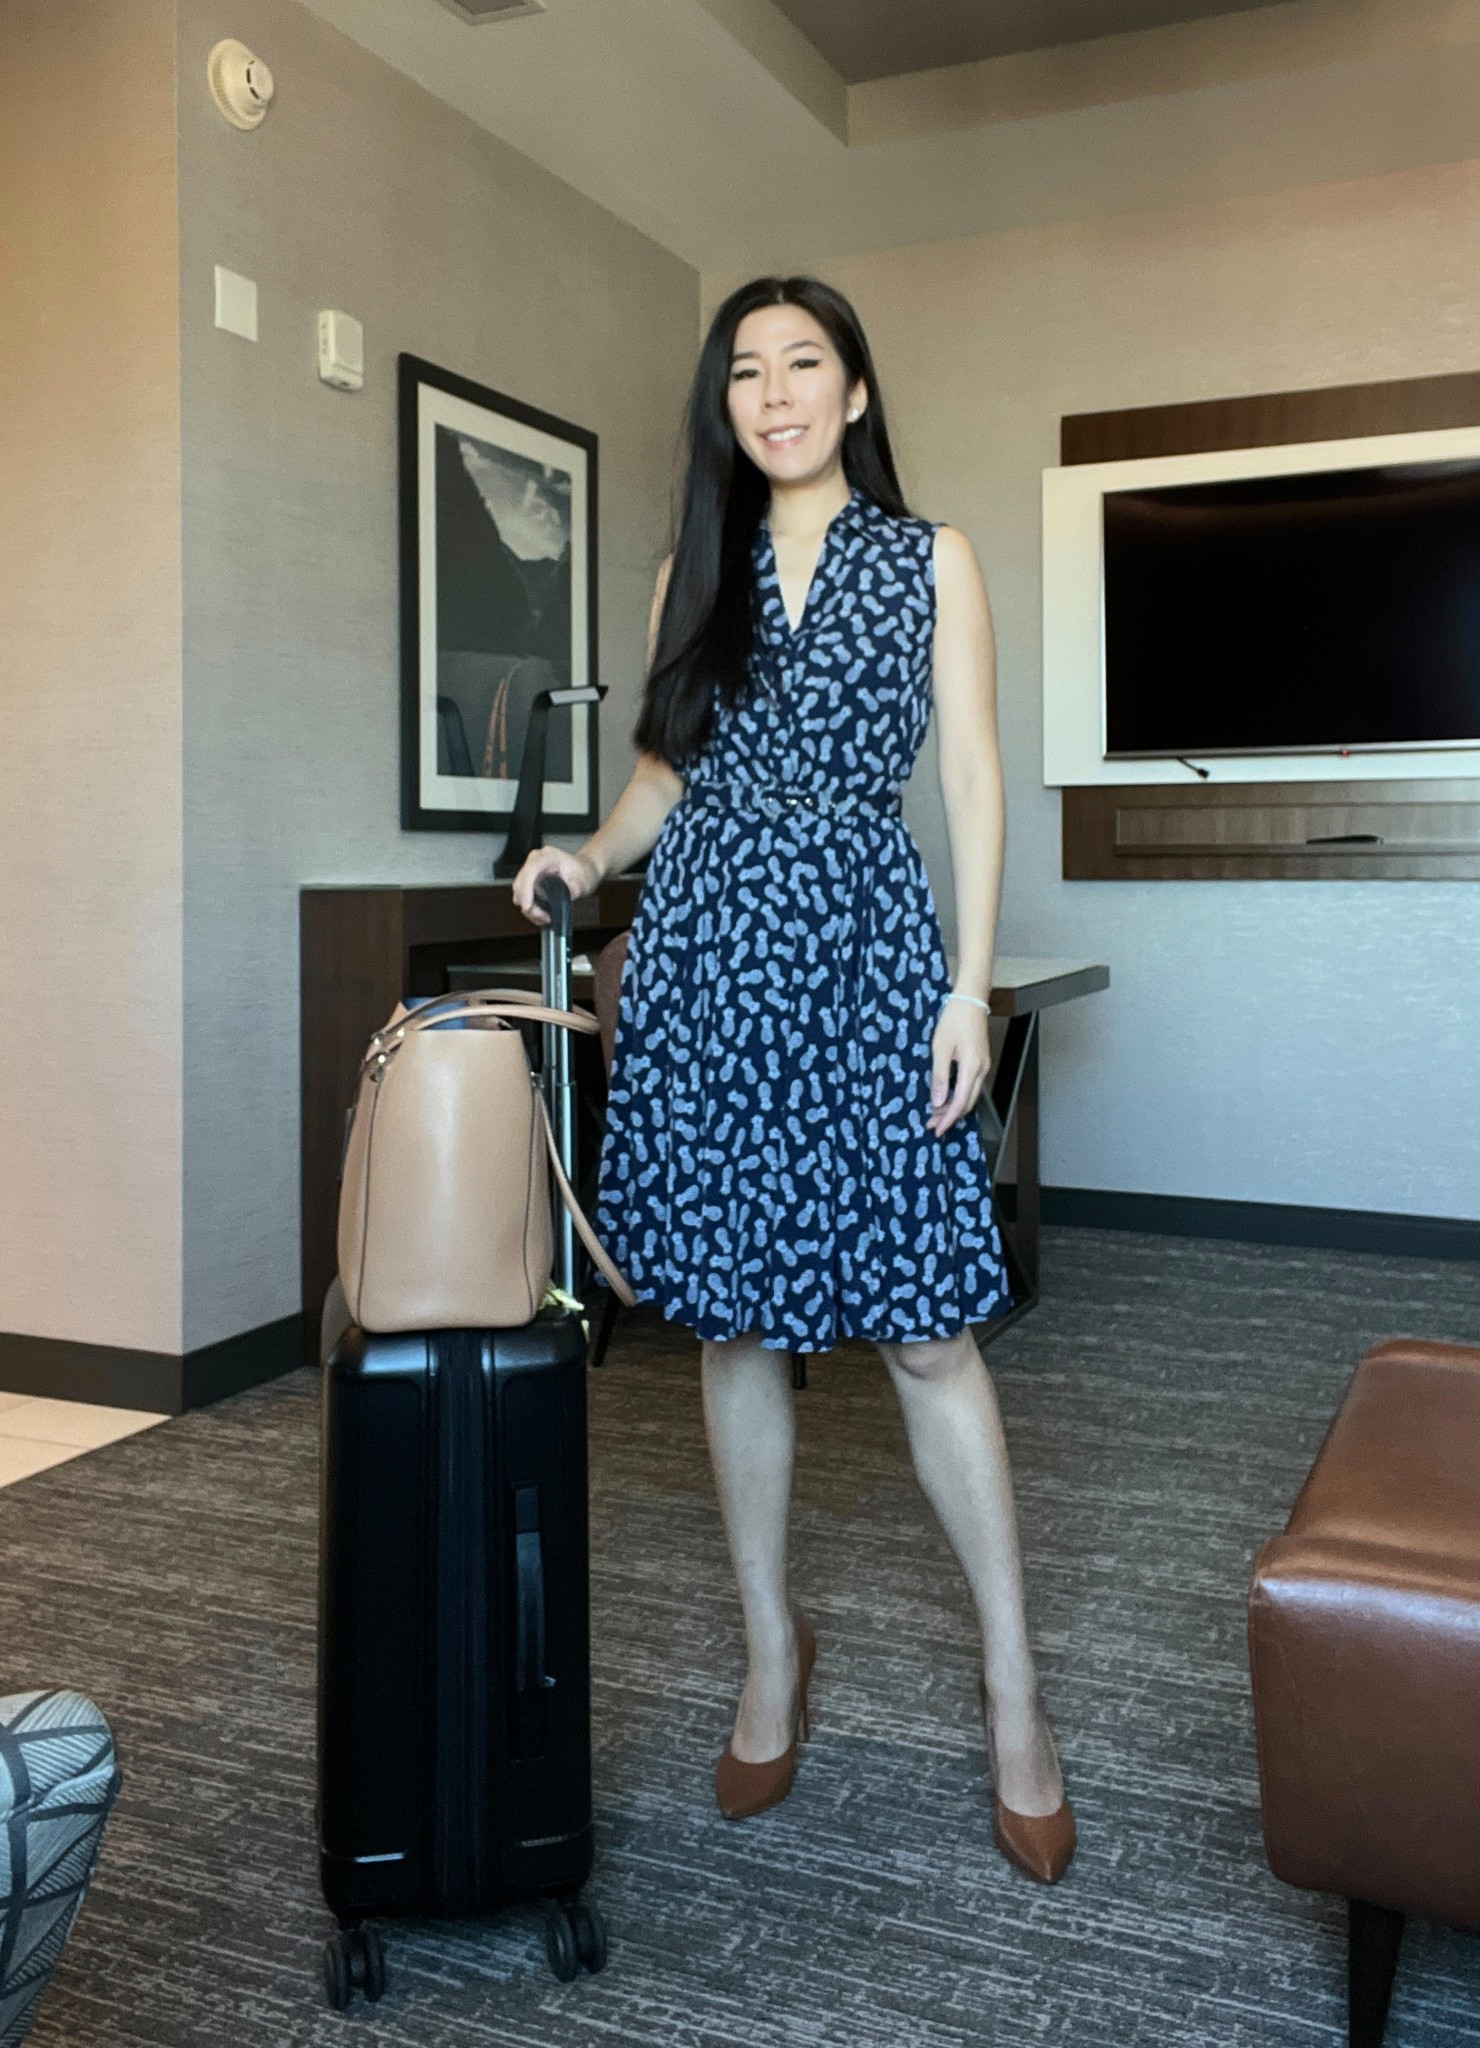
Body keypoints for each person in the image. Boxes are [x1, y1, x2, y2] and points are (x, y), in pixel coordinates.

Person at [513, 275, 1074, 1883]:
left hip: (872, 960)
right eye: (746, 371)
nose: (774, 394)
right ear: (727, 405)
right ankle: (773, 1648)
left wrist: (968, 987)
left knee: (926, 1333)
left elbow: (967, 774)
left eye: (803, 365)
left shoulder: (932, 559)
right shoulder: (695, 569)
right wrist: (582, 851)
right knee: (737, 1321)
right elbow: (655, 787)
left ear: (858, 391)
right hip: (706, 964)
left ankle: (1013, 1692)